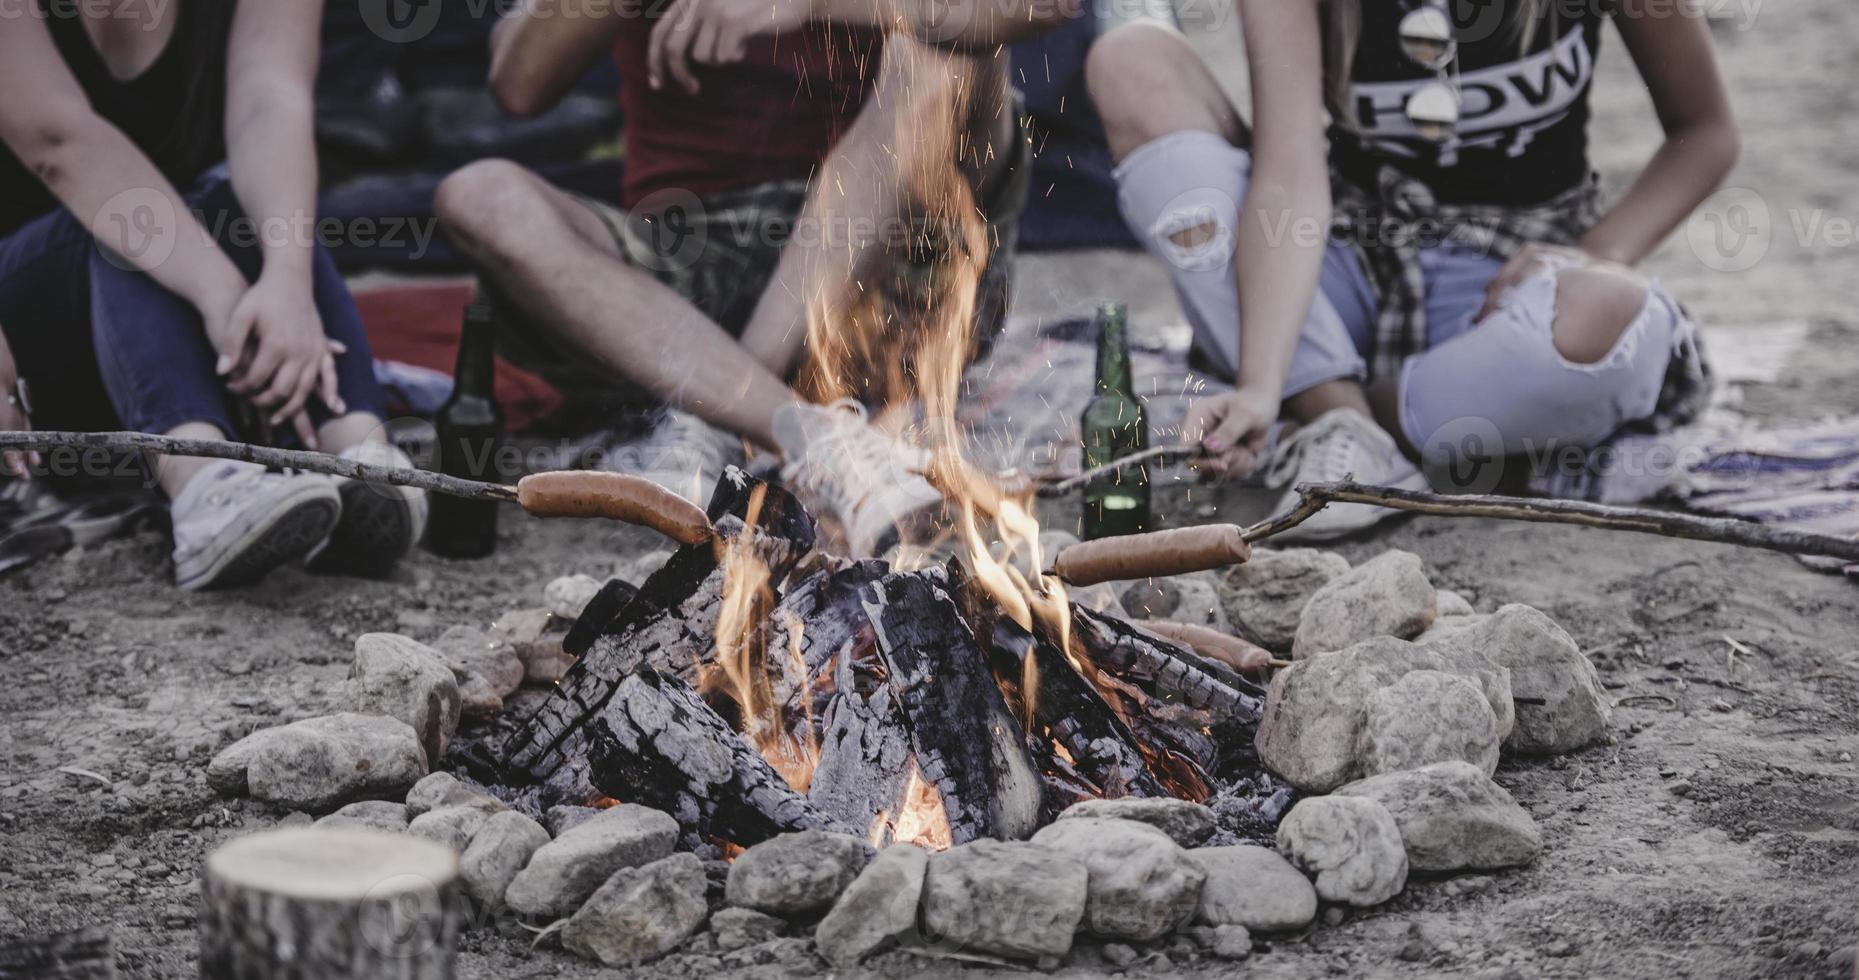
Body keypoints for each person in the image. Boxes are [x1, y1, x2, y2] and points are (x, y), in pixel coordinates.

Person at [434, 0, 1069, 556]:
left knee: (946, 55)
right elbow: (517, 84)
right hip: (690, 250)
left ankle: (723, 410)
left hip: (892, 262)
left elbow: (1040, 7)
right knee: (480, 195)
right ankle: (806, 432)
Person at [1085, 0, 1736, 538]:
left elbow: (1705, 131)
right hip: (1340, 266)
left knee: (1610, 312)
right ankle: (1337, 421)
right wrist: (1259, 380)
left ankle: (1336, 426)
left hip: (1502, 290)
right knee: (1131, 60)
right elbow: (1289, 175)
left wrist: (1596, 252)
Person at [0, 0, 425, 589]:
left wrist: (287, 282)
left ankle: (353, 451)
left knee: (243, 209)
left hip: (180, 320)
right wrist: (225, 299)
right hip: (37, 331)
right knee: (123, 217)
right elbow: (58, 142)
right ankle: (202, 479)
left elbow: (270, 101)